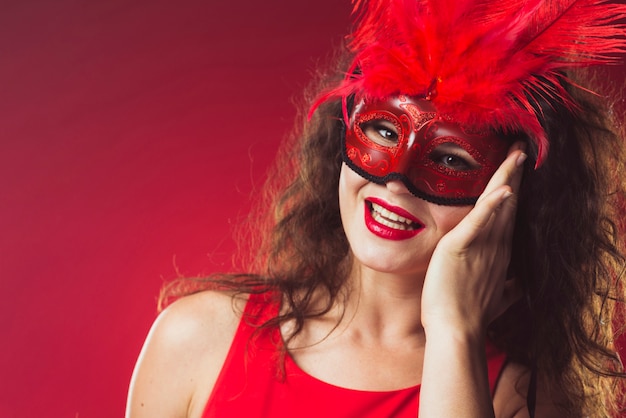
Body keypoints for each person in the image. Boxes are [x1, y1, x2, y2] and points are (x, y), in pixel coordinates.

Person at [126, 0, 626, 416]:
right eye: (383, 131)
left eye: (451, 159)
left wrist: (454, 334)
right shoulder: (196, 341)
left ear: (512, 195)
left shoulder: (521, 399)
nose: (394, 180)